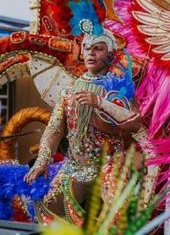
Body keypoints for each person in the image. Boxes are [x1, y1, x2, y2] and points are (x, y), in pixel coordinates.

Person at [24, 27, 144, 225]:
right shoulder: (70, 89)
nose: (90, 53)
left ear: (111, 54)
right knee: (46, 214)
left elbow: (135, 123)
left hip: (110, 166)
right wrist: (43, 160)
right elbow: (54, 130)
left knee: (120, 219)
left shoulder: (120, 88)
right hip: (76, 166)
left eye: (98, 48)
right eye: (87, 48)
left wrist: (100, 102)